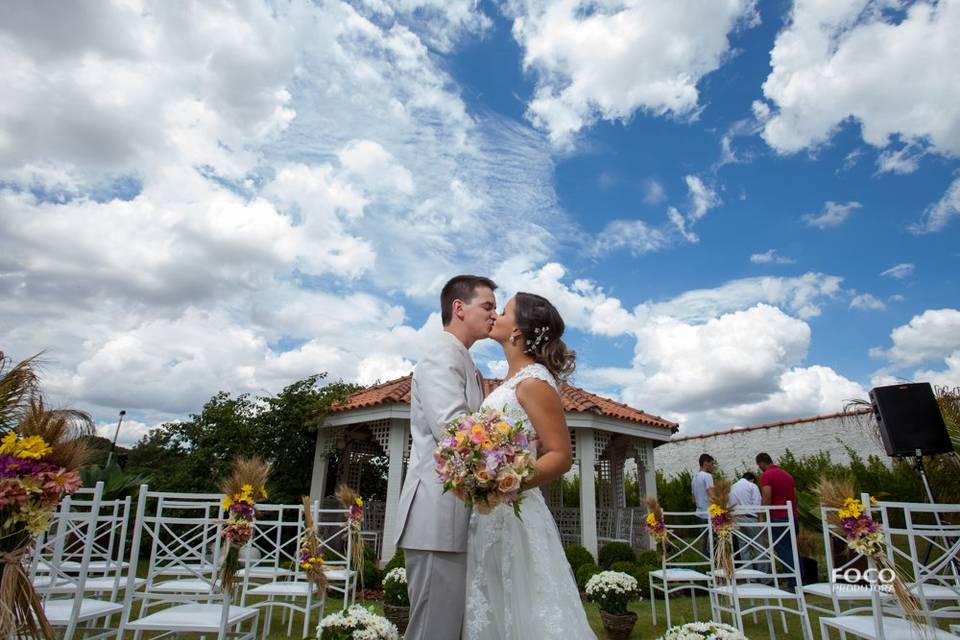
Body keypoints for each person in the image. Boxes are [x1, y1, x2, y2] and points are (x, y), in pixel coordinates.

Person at [463, 292, 596, 640]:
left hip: (514, 515)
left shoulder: (534, 382)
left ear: (518, 332)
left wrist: (504, 484)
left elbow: (560, 455)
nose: (495, 315)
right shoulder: (510, 382)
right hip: (489, 516)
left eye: (502, 311)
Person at [395, 275, 498, 640]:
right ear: (459, 308)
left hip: (454, 518)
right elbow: (455, 432)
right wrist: (510, 462)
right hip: (436, 519)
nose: (494, 315)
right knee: (432, 631)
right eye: (487, 306)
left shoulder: (466, 361)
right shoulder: (441, 354)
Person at [756, 452, 799, 589]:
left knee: (783, 549)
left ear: (762, 463)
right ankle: (801, 578)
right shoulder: (787, 475)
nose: (759, 468)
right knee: (792, 549)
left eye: (759, 465)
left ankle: (794, 582)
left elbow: (767, 496)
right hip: (792, 515)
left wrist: (762, 516)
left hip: (778, 517)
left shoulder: (766, 475)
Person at [729, 471, 762, 569]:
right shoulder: (752, 486)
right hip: (750, 518)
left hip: (736, 519)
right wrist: (760, 518)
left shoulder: (732, 487)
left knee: (743, 548)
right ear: (752, 479)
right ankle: (764, 576)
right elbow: (757, 503)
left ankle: (749, 576)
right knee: (759, 546)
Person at [692, 453, 715, 556]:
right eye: (711, 463)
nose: (712, 466)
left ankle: (706, 562)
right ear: (705, 463)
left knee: (705, 541)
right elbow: (712, 494)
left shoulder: (694, 478)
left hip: (699, 512)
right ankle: (713, 562)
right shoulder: (707, 476)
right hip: (709, 513)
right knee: (713, 541)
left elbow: (693, 499)